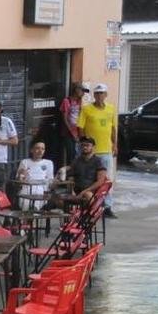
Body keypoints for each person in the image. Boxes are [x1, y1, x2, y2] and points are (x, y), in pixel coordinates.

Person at [77, 83, 118, 218]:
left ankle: (107, 206)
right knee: (87, 178)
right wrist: (84, 143)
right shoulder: (87, 109)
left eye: (102, 93)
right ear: (94, 95)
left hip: (105, 149)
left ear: (106, 95)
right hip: (91, 151)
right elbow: (80, 127)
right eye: (97, 93)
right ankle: (90, 204)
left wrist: (115, 144)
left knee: (106, 180)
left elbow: (113, 128)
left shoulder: (111, 109)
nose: (100, 95)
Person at [53, 136, 109, 208]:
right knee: (57, 197)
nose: (84, 147)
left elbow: (100, 181)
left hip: (92, 191)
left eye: (87, 145)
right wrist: (72, 190)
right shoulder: (76, 161)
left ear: (93, 147)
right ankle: (72, 217)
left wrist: (85, 191)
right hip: (77, 191)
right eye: (82, 145)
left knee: (87, 195)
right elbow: (71, 178)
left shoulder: (98, 161)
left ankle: (90, 217)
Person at [16, 142, 55, 211]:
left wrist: (54, 182)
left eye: (42, 149)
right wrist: (21, 175)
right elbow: (19, 181)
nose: (40, 151)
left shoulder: (48, 163)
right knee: (25, 204)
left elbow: (50, 181)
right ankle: (27, 219)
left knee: (35, 204)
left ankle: (32, 217)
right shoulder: (25, 162)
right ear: (32, 150)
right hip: (26, 188)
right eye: (37, 148)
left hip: (41, 189)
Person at [58, 83, 89, 167]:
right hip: (68, 132)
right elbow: (65, 118)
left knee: (79, 153)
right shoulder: (67, 101)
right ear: (76, 90)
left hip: (78, 130)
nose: (83, 93)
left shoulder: (80, 102)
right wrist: (72, 132)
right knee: (71, 154)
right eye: (82, 91)